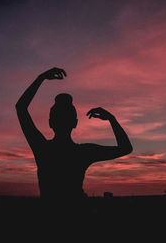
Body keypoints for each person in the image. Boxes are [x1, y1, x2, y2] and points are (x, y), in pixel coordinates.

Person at [15, 67, 133, 207]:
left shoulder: (42, 148)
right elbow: (125, 148)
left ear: (50, 122)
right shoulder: (83, 152)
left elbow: (21, 107)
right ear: (75, 123)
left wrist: (41, 78)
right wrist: (111, 119)